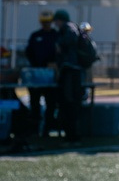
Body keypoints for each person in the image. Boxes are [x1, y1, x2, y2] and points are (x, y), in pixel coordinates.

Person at [24, 10, 59, 137]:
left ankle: (47, 129)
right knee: (35, 103)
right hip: (37, 75)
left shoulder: (56, 36)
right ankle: (34, 129)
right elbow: (29, 52)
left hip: (50, 75)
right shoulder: (35, 35)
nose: (46, 25)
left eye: (48, 22)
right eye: (44, 23)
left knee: (51, 103)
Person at [51, 9, 83, 144]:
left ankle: (72, 135)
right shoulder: (71, 28)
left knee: (68, 102)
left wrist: (60, 45)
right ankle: (70, 134)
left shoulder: (68, 28)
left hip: (70, 70)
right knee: (68, 103)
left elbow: (70, 40)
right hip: (71, 70)